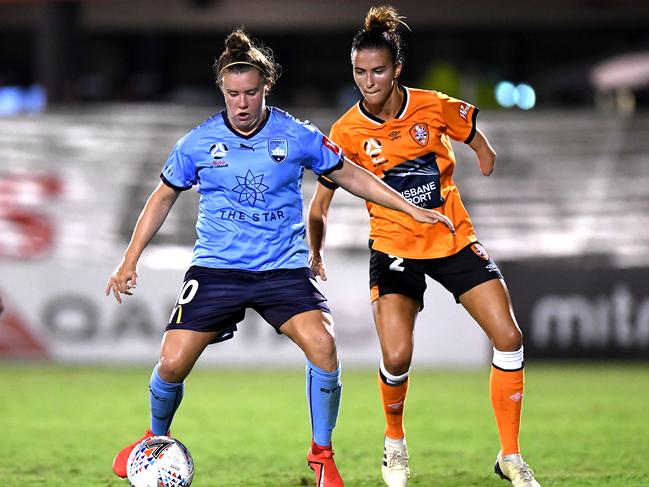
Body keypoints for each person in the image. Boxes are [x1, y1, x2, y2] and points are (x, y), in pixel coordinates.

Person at [106, 27, 453, 487]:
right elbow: (163, 196)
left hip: (283, 269)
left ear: (266, 86)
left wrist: (410, 207)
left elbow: (352, 175)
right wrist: (129, 259)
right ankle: (154, 440)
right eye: (233, 94)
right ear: (222, 91)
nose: (242, 103)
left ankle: (322, 454)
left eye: (251, 93)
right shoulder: (198, 143)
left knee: (324, 347)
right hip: (218, 268)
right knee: (170, 363)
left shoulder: (297, 135)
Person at [308, 6, 541, 487]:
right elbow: (321, 203)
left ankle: (511, 457)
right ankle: (394, 443)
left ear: (397, 70)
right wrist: (315, 248)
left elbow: (474, 134)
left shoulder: (431, 105)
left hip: (452, 238)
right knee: (396, 356)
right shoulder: (346, 132)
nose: (367, 81)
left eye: (377, 71)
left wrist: (485, 154)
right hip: (395, 247)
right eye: (359, 72)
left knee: (510, 338)